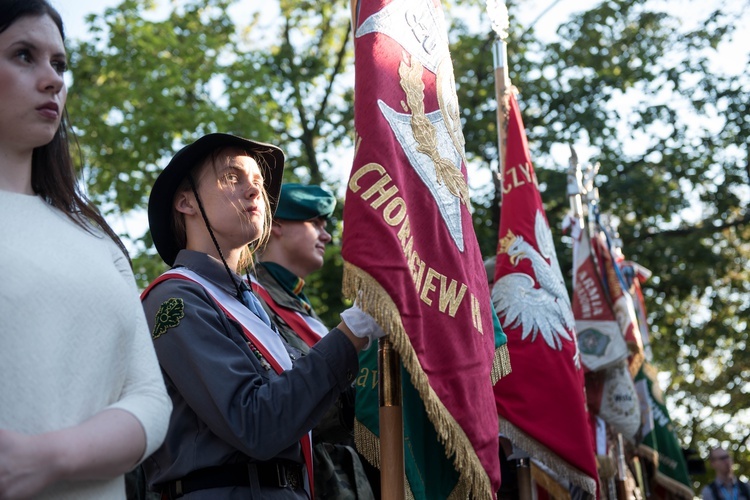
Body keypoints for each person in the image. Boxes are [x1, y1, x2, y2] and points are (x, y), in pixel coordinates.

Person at [140, 133, 384, 499]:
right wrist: (352, 332)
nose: (256, 192)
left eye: (257, 182)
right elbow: (255, 423)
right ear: (185, 201)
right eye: (232, 177)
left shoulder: (250, 303)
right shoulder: (176, 297)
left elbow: (306, 411)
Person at [0, 1, 172, 498]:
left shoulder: (95, 239)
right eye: (24, 55)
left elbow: (149, 399)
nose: (53, 79)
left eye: (60, 63)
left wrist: (48, 458)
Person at [252, 183, 375, 499]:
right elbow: (278, 407)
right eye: (315, 223)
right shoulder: (247, 302)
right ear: (275, 224)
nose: (327, 235)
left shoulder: (303, 309)